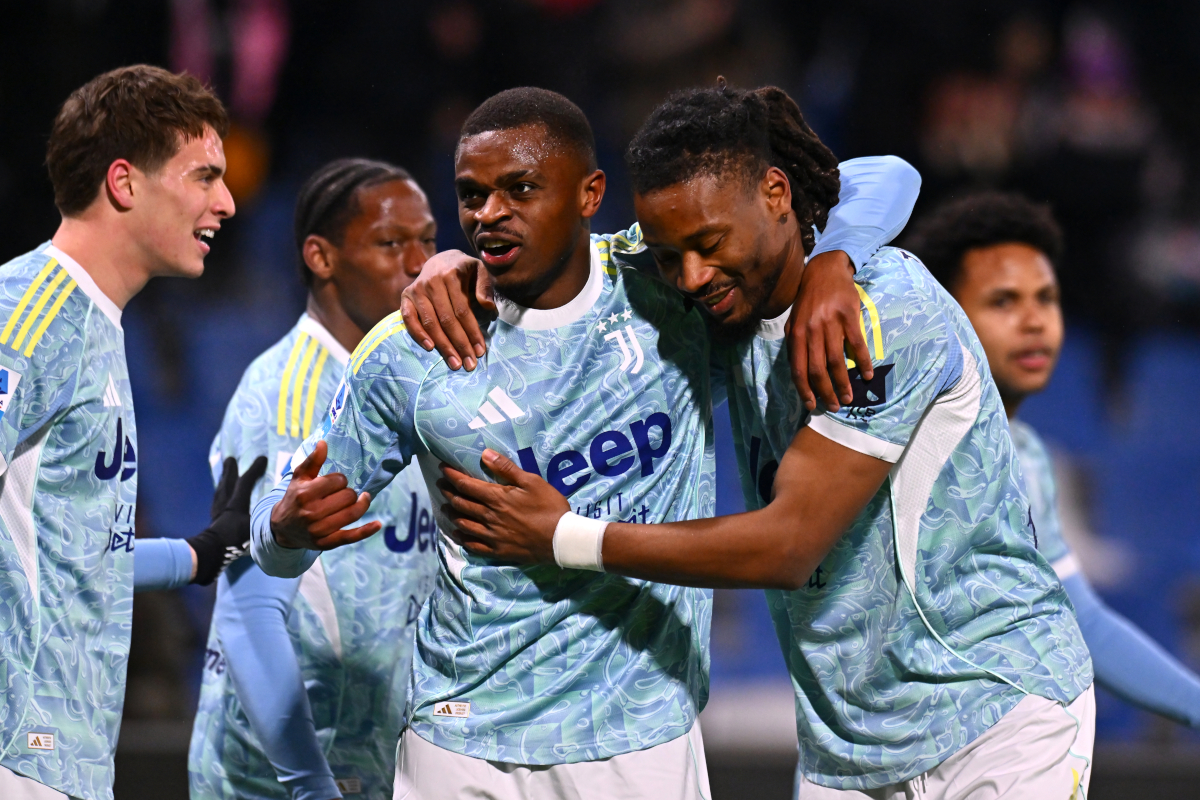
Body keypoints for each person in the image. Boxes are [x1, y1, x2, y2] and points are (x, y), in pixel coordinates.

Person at [432, 83, 1096, 800]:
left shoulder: (879, 311)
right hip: (849, 748)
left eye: (710, 244)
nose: (690, 276)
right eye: (667, 253)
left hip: (995, 713)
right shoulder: (720, 308)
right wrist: (456, 267)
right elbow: (573, 268)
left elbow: (788, 545)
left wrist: (565, 536)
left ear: (777, 194)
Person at [251, 87, 917, 799]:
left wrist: (832, 261)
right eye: (471, 195)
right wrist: (285, 530)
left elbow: (888, 176)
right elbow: (279, 526)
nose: (488, 214)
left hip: (640, 733)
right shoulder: (413, 347)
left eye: (521, 189)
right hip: (461, 734)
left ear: (590, 192)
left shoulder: (670, 289)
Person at [0, 65, 234, 800]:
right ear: (125, 183)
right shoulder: (27, 315)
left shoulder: (95, 322)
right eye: (204, 176)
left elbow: (67, 550)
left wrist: (195, 557)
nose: (226, 202)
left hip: (67, 759)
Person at [188, 159, 440, 800]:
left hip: (374, 761)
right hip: (279, 774)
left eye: (428, 241)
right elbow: (248, 606)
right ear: (321, 258)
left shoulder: (411, 381)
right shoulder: (288, 395)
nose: (418, 263)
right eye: (390, 243)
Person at [907, 190, 1200, 730]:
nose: (1035, 320)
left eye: (1046, 298)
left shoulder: (1028, 457)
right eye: (1003, 301)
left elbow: (1081, 617)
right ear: (942, 316)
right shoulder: (889, 438)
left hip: (986, 754)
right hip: (870, 763)